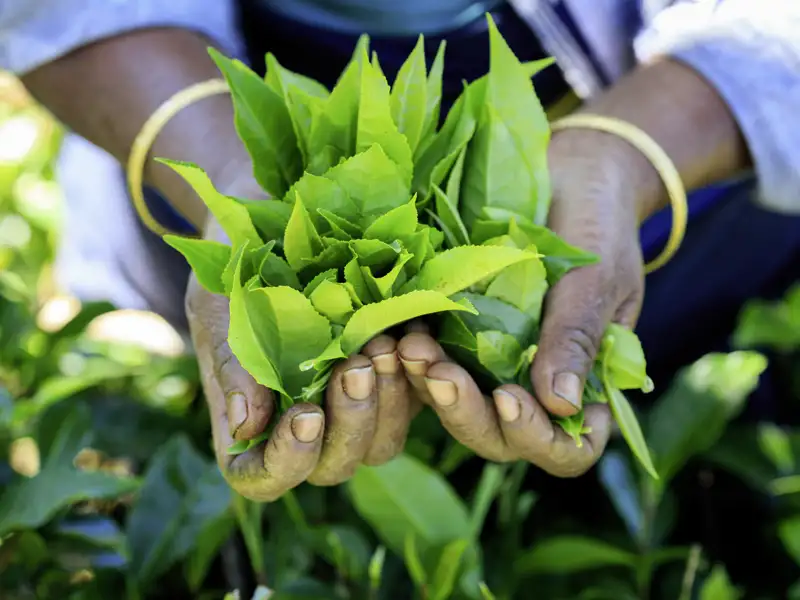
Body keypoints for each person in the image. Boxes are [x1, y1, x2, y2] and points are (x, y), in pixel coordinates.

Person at [3, 0, 799, 501]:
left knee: (689, 412)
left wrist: (619, 156)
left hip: (684, 135)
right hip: (197, 103)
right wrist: (229, 185)